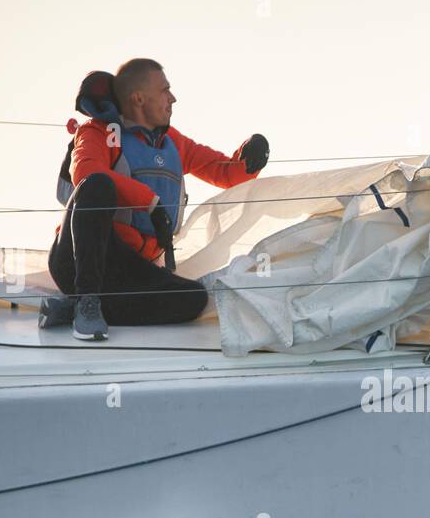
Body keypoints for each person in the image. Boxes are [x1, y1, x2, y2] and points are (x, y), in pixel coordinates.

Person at [43, 58, 270, 340]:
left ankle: (76, 306)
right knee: (97, 184)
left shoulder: (172, 141)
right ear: (139, 98)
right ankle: (86, 298)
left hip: (131, 268)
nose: (172, 98)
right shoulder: (98, 132)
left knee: (194, 299)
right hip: (78, 259)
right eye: (165, 90)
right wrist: (148, 201)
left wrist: (248, 164)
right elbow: (86, 172)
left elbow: (222, 172)